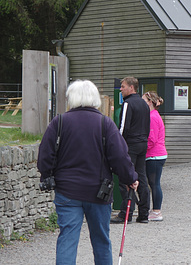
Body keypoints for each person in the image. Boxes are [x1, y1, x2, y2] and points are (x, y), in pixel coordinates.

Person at [37, 80, 138, 265]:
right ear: (94, 99)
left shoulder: (59, 122)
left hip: (67, 191)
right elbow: (120, 157)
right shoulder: (105, 123)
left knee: (67, 238)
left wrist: (47, 175)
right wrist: (130, 178)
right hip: (98, 192)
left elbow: (45, 156)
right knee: (101, 240)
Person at [112, 76, 151, 224]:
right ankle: (144, 213)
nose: (121, 89)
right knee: (141, 177)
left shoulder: (128, 104)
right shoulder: (144, 104)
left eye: (123, 86)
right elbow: (147, 126)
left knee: (126, 178)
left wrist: (118, 145)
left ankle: (126, 213)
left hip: (130, 145)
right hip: (143, 143)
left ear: (131, 88)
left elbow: (123, 127)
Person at [142, 91, 167, 221]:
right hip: (156, 155)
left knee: (154, 183)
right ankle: (155, 210)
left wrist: (141, 149)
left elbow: (151, 140)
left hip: (154, 155)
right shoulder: (154, 115)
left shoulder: (152, 117)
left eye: (144, 101)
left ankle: (157, 211)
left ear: (150, 102)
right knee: (153, 183)